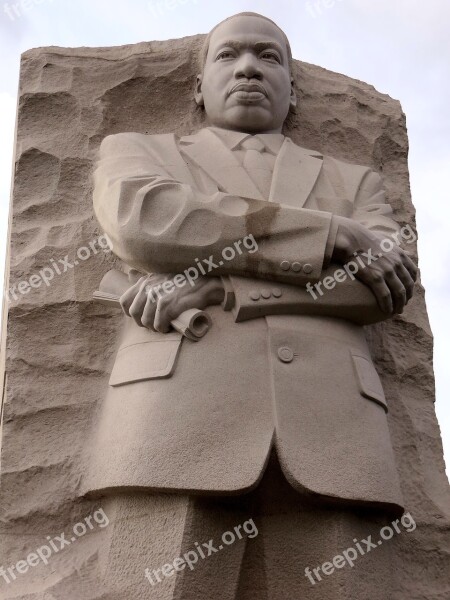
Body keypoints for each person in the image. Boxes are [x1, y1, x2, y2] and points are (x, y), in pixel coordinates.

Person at [84, 12, 417, 599]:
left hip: (334, 424)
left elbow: (382, 288)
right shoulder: (139, 152)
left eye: (268, 57)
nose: (247, 68)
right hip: (173, 413)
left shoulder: (354, 180)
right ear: (198, 86)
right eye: (228, 55)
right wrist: (330, 236)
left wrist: (221, 289)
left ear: (294, 90)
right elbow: (149, 222)